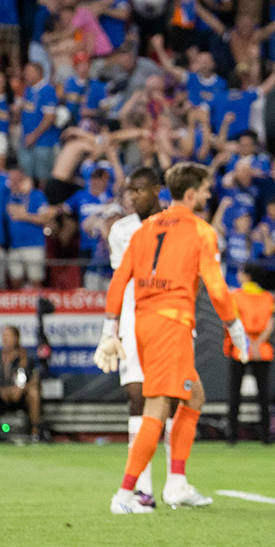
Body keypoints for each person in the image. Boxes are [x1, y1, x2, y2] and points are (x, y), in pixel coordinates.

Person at [95, 162, 249, 514]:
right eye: (207, 191)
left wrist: (109, 329)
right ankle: (125, 494)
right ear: (191, 193)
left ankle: (176, 484)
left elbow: (120, 281)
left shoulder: (145, 229)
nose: (210, 196)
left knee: (194, 396)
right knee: (158, 406)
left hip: (144, 323)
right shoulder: (200, 230)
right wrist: (236, 330)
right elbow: (217, 288)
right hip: (171, 324)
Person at [106, 167, 167, 507]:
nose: (132, 196)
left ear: (158, 190)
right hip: (133, 321)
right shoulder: (120, 230)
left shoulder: (177, 224)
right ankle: (143, 488)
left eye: (139, 189)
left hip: (172, 320)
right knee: (137, 397)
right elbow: (121, 280)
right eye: (129, 190)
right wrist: (111, 329)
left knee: (174, 401)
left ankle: (176, 481)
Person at [224, 268, 275, 444]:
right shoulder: (268, 297)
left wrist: (247, 344)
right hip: (262, 348)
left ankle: (232, 436)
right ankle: (266, 436)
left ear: (247, 276)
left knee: (234, 394)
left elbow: (233, 322)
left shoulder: (236, 296)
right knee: (264, 396)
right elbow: (270, 324)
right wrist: (256, 344)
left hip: (240, 347)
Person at [0, 326, 41, 442]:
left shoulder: (26, 356)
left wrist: (21, 389)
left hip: (20, 396)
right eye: (3, 336)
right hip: (0, 396)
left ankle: (35, 433)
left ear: (16, 338)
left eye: (8, 336)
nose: (5, 339)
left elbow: (34, 378)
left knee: (34, 393)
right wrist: (0, 390)